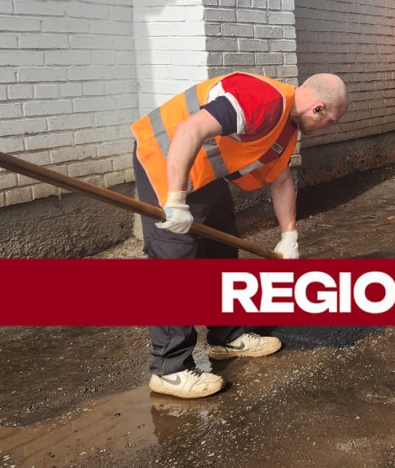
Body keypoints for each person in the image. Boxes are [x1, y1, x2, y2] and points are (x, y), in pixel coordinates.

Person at [131, 72, 349, 398]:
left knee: (221, 246)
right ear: (317, 108)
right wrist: (175, 199)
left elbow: (281, 181)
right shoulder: (261, 100)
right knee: (174, 262)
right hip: (164, 159)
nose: (327, 128)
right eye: (330, 121)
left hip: (201, 169)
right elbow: (190, 129)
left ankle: (226, 336)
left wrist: (289, 236)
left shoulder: (287, 127)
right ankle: (169, 368)